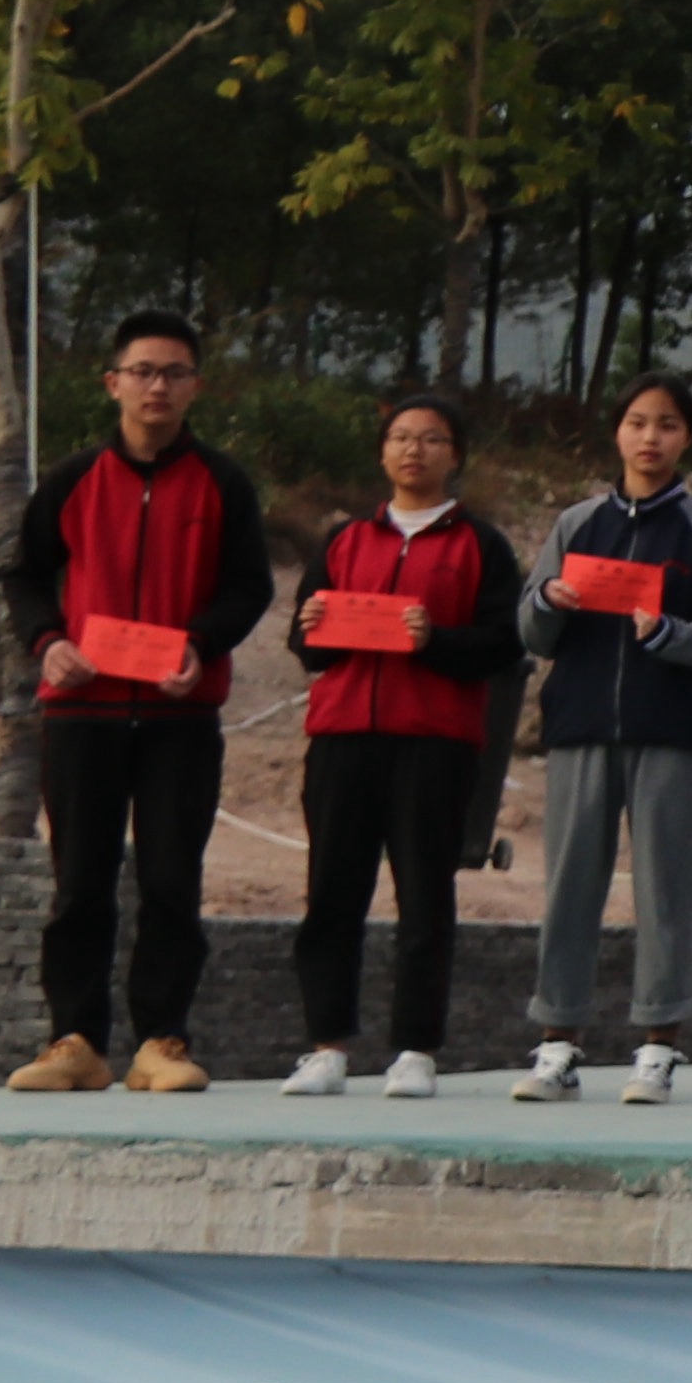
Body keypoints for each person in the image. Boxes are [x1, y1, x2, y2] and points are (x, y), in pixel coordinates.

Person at [1, 310, 271, 1092]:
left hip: (180, 715)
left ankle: (162, 1041)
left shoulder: (223, 481)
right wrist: (47, 639)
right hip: (81, 709)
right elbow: (24, 575)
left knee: (171, 882)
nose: (158, 386)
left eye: (174, 373)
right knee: (79, 884)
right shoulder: (72, 478)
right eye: (144, 371)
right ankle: (74, 1041)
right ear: (112, 382)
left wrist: (201, 643)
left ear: (196, 387)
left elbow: (249, 586)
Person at [515, 370, 692, 1103]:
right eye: (636, 423)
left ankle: (657, 1048)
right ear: (616, 433)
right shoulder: (577, 524)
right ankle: (557, 1046)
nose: (649, 437)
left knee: (665, 891)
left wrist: (670, 635)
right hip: (581, 730)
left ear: (686, 437)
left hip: (675, 736)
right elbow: (532, 631)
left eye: (666, 424)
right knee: (569, 887)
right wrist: (548, 599)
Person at [278, 396, 526, 1098]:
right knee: (332, 894)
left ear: (455, 454)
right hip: (343, 737)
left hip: (433, 741)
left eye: (431, 439)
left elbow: (503, 644)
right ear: (382, 451)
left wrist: (434, 642)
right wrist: (312, 625)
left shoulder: (480, 545)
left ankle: (416, 1049)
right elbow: (307, 646)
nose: (413, 450)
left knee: (424, 897)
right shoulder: (345, 541)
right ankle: (326, 1046)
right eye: (400, 437)